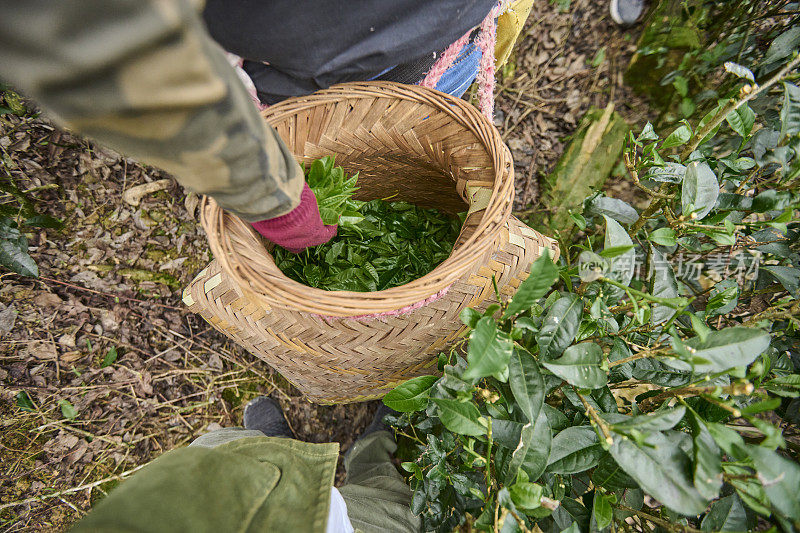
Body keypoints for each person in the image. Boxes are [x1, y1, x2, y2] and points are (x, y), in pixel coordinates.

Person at [0, 0, 532, 255]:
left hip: (453, 27)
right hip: (303, 68)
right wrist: (270, 195)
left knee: (419, 143)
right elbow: (108, 51)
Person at [71, 397, 418, 532]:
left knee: (229, 451)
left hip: (209, 502)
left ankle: (274, 443)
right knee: (390, 497)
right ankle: (370, 448)